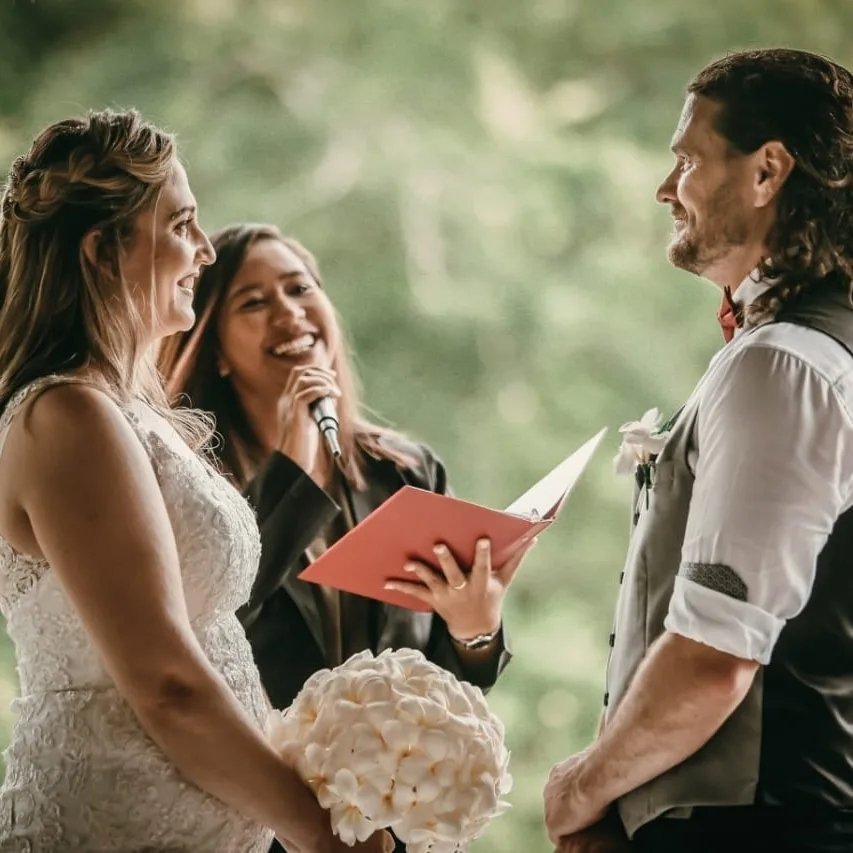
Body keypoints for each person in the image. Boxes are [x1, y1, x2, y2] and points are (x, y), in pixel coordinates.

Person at [0, 110, 392, 853]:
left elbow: (214, 651)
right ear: (104, 251)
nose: (204, 251)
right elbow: (167, 683)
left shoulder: (127, 413)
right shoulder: (67, 417)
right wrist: (321, 833)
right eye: (182, 225)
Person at [543, 48, 853, 853]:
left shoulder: (782, 364)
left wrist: (580, 789)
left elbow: (715, 654)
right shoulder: (798, 350)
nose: (664, 187)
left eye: (686, 159)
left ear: (767, 170)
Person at [159, 222, 531, 851]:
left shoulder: (406, 473)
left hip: (394, 827)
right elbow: (213, 620)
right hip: (261, 822)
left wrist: (476, 632)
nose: (288, 312)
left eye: (300, 288)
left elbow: (440, 687)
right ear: (215, 349)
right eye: (254, 301)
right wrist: (293, 466)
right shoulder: (194, 491)